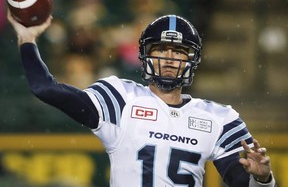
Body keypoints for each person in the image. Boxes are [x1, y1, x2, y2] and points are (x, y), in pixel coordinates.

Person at [7, 11, 276, 187]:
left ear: (191, 59)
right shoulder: (122, 99)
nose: (170, 58)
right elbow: (45, 89)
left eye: (179, 51)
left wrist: (262, 178)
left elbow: (241, 182)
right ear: (146, 55)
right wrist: (27, 38)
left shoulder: (219, 118)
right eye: (161, 49)